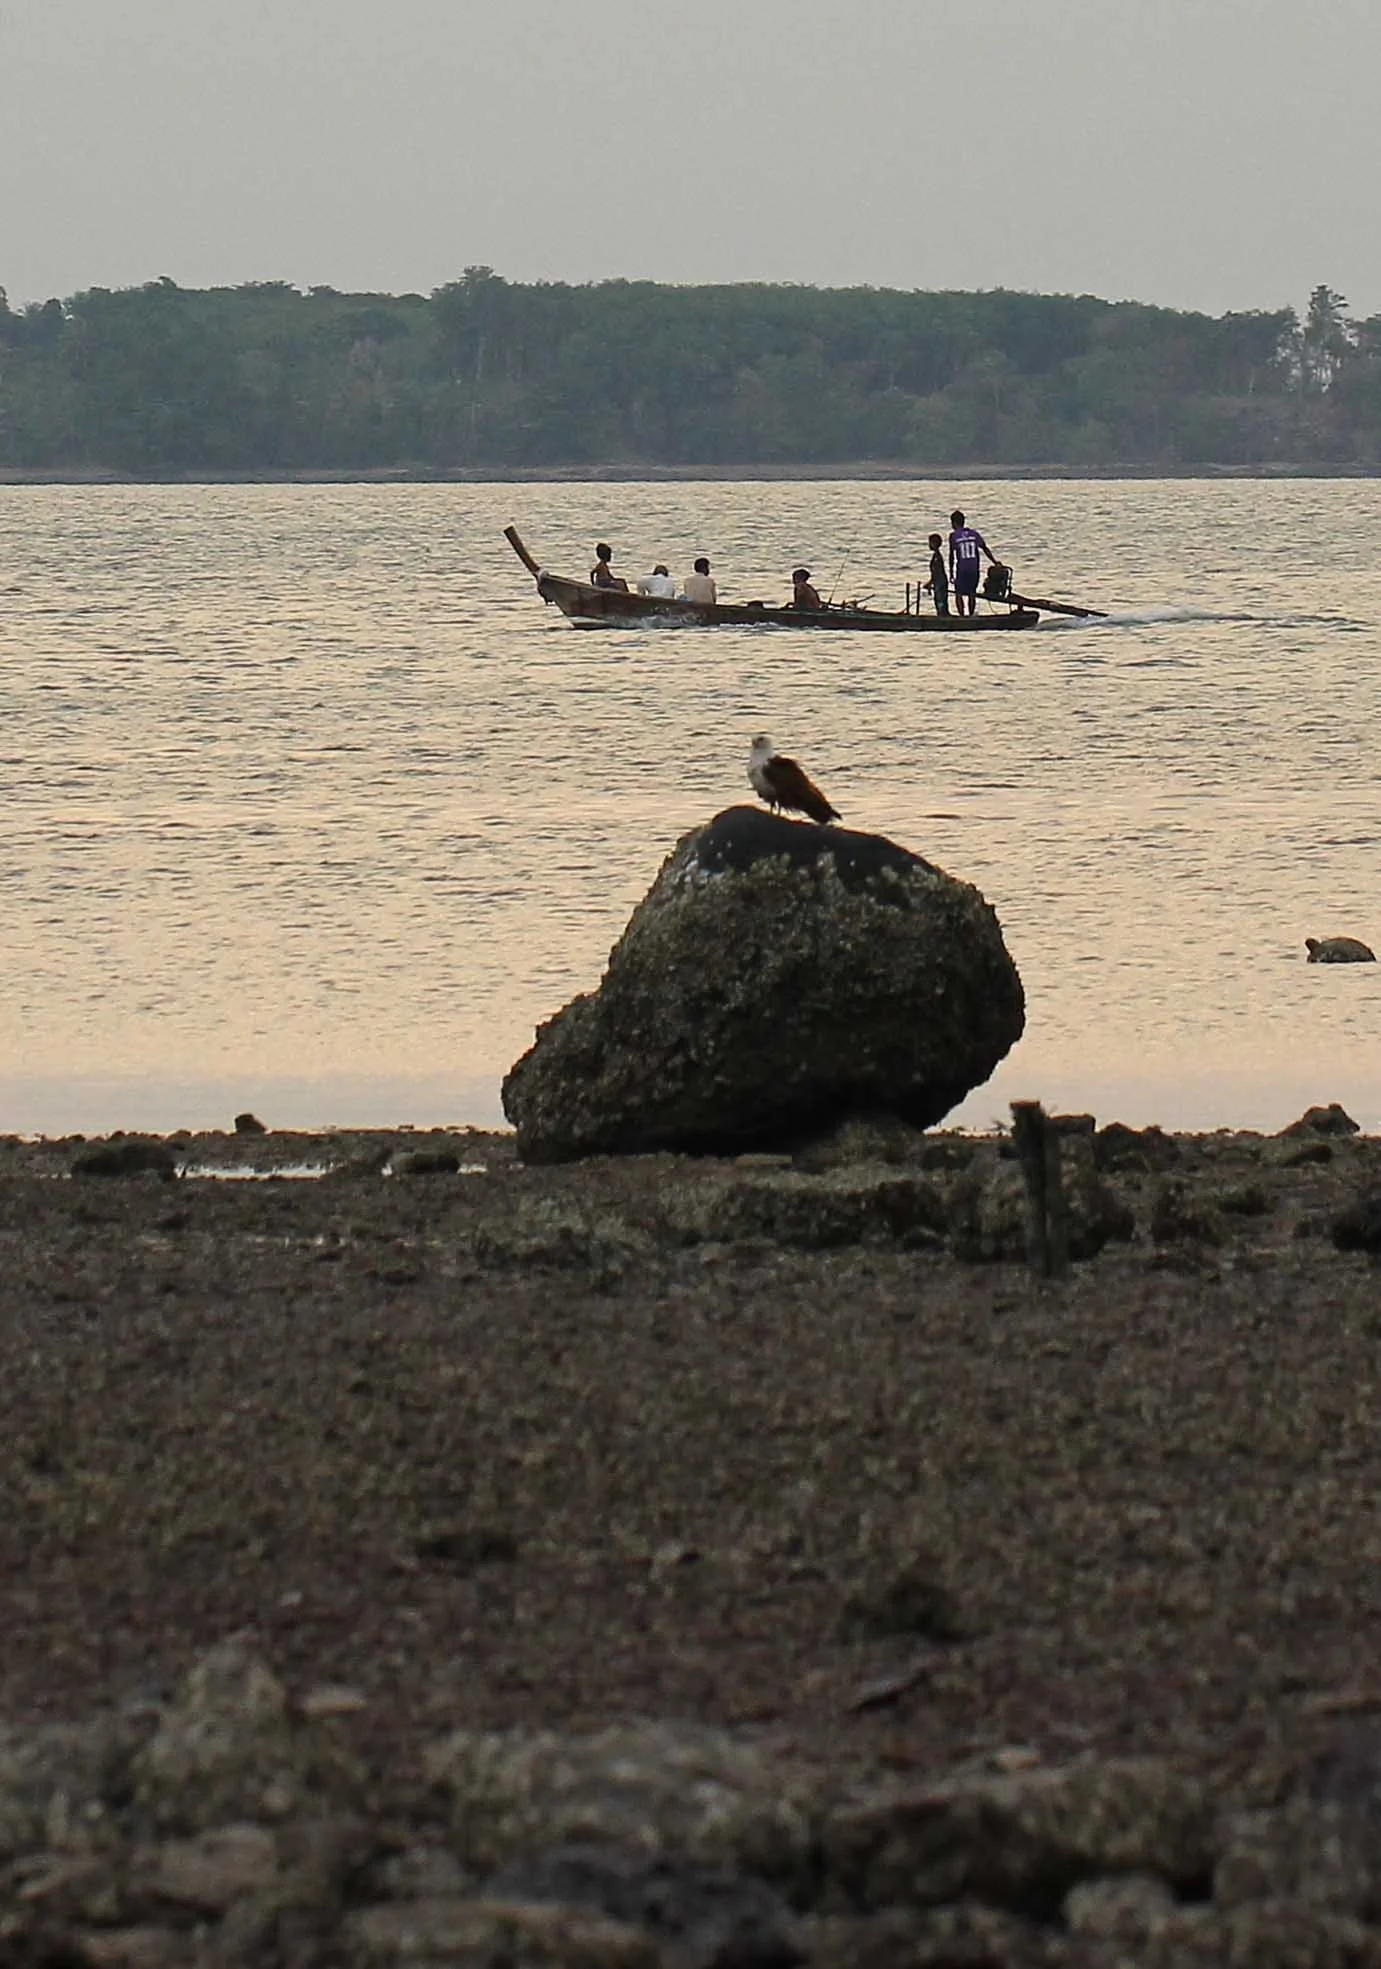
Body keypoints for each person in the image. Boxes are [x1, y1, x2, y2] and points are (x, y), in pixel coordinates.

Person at [947, 509, 998, 616]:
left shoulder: (954, 536)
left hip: (962, 569)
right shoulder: (974, 534)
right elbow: (985, 548)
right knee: (972, 593)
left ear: (954, 523)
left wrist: (951, 573)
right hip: (974, 569)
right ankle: (970, 615)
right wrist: (994, 562)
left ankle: (962, 616)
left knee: (958, 593)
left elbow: (951, 555)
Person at [922, 533, 949, 617]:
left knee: (940, 602)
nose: (929, 545)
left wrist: (930, 583)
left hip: (940, 583)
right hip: (939, 582)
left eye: (930, 543)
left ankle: (943, 618)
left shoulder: (937, 557)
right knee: (939, 602)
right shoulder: (936, 556)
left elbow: (937, 573)